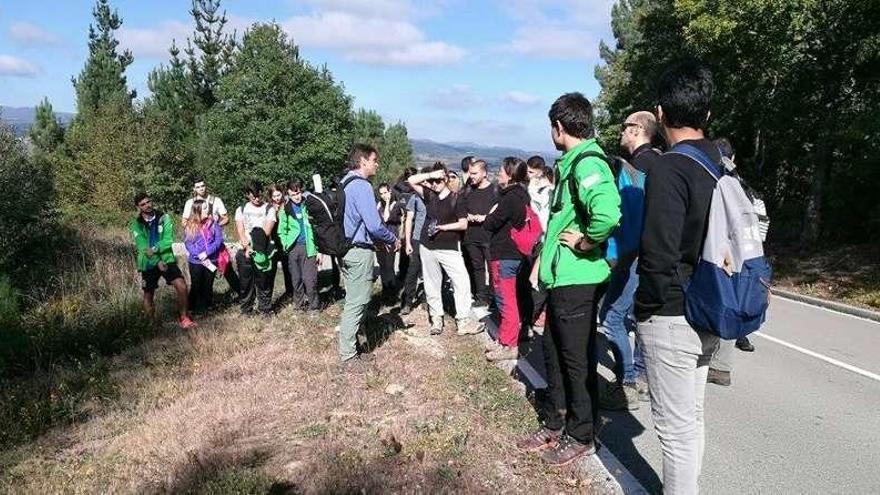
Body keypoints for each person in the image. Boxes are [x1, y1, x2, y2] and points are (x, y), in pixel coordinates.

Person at [518, 92, 621, 466]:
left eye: (551, 127)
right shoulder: (572, 162)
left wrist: (585, 241)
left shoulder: (587, 163)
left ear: (558, 127)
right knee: (558, 355)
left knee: (576, 360)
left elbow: (607, 215)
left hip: (578, 280)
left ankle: (581, 434)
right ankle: (556, 420)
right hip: (563, 280)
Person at [634, 60, 721, 494]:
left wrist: (644, 309)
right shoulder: (721, 166)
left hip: (671, 312)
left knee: (675, 433)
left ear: (660, 114)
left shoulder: (670, 168)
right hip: (711, 306)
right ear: (706, 114)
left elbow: (657, 252)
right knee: (693, 421)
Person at [597, 112, 657, 410]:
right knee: (636, 319)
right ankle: (640, 377)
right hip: (648, 256)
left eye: (624, 127)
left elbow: (632, 222)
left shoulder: (636, 167)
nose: (621, 132)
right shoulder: (659, 162)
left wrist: (612, 257)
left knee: (612, 318)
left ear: (637, 130)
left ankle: (628, 383)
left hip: (632, 256)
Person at [338, 144, 400, 368]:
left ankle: (355, 347)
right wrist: (392, 239)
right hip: (358, 251)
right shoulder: (362, 186)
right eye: (374, 159)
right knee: (358, 302)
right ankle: (347, 356)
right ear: (363, 161)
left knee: (353, 300)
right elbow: (374, 225)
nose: (377, 163)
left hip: (345, 249)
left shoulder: (344, 182)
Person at [407, 163, 482, 336]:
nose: (434, 184)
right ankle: (436, 318)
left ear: (446, 179)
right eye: (432, 181)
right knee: (432, 283)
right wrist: (431, 174)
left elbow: (463, 224)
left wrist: (442, 228)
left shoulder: (458, 199)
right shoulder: (429, 196)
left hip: (449, 247)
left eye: (438, 181)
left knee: (461, 282)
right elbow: (411, 180)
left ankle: (463, 320)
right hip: (428, 246)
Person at [482, 157, 530, 361]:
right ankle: (503, 339)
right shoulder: (522, 195)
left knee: (505, 300)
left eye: (501, 170)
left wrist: (489, 215)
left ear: (510, 175)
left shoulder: (510, 198)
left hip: (505, 254)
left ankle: (509, 345)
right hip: (514, 255)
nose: (498, 173)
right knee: (508, 299)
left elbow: (491, 223)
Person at [129, 192, 196, 329]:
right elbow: (142, 247)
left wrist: (154, 249)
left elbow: (167, 240)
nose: (147, 205)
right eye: (143, 204)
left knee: (181, 285)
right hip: (148, 262)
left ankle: (184, 318)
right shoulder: (136, 224)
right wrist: (157, 261)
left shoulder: (164, 217)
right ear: (138, 207)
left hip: (167, 259)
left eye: (148, 202)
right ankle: (151, 324)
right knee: (148, 293)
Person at [182, 178, 240, 295]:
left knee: (227, 268)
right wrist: (194, 228)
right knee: (199, 278)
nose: (201, 189)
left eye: (202, 186)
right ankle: (198, 304)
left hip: (214, 242)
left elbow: (226, 218)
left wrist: (214, 228)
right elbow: (184, 221)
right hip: (198, 242)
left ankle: (242, 294)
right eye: (198, 187)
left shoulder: (216, 200)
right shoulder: (190, 203)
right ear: (194, 189)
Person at [235, 181, 278, 316]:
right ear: (247, 195)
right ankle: (246, 309)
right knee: (246, 282)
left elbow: (266, 230)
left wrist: (257, 248)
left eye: (258, 195)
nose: (257, 199)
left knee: (264, 281)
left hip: (264, 249)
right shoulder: (241, 209)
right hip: (245, 250)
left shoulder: (269, 208)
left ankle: (265, 308)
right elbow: (241, 230)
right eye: (253, 196)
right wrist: (247, 247)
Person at [278, 179, 320, 312]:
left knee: (310, 280)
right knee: (296, 280)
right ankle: (299, 305)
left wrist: (319, 250)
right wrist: (286, 244)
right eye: (293, 194)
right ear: (288, 195)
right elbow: (281, 230)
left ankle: (314, 307)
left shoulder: (308, 205)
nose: (296, 197)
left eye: (298, 193)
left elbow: (316, 227)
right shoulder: (285, 209)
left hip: (309, 247)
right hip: (293, 248)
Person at [462, 159, 498, 313]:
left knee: (492, 267)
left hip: (489, 236)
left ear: (484, 173)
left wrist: (486, 217)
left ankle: (495, 297)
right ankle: (481, 296)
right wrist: (467, 216)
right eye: (470, 173)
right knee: (477, 267)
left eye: (475, 173)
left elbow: (499, 210)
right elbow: (460, 208)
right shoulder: (469, 190)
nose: (472, 176)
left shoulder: (495, 190)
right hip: (471, 236)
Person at [182, 198, 224, 313]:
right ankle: (191, 307)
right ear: (198, 210)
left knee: (208, 285)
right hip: (196, 261)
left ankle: (207, 307)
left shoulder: (214, 224)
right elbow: (188, 243)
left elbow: (218, 241)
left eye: (207, 207)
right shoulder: (190, 225)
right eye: (205, 208)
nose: (208, 210)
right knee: (196, 285)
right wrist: (198, 254)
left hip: (211, 259)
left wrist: (207, 253)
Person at [401, 167, 429, 315]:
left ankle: (426, 299)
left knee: (429, 273)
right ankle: (407, 302)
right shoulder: (415, 198)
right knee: (412, 272)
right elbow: (408, 220)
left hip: (431, 241)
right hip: (417, 239)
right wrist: (408, 242)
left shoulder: (435, 198)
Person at [376, 182, 404, 299]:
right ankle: (385, 290)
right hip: (380, 240)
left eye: (385, 192)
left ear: (390, 192)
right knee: (382, 265)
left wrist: (387, 203)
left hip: (391, 239)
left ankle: (392, 292)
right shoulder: (378, 205)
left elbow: (386, 218)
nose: (383, 195)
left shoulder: (396, 205)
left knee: (389, 266)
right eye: (381, 193)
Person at [268, 184, 294, 299]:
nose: (277, 198)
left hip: (284, 240)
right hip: (273, 241)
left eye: (279, 195)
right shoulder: (269, 208)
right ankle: (269, 294)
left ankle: (290, 292)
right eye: (274, 196)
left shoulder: (287, 206)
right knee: (271, 270)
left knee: (287, 267)